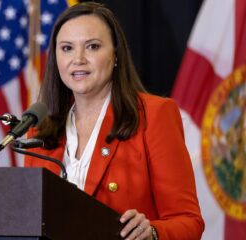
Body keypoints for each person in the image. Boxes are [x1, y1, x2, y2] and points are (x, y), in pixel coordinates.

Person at [24, 2, 204, 240]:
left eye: (92, 47)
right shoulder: (39, 129)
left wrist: (152, 232)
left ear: (116, 54)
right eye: (67, 48)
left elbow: (189, 222)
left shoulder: (154, 115)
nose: (78, 59)